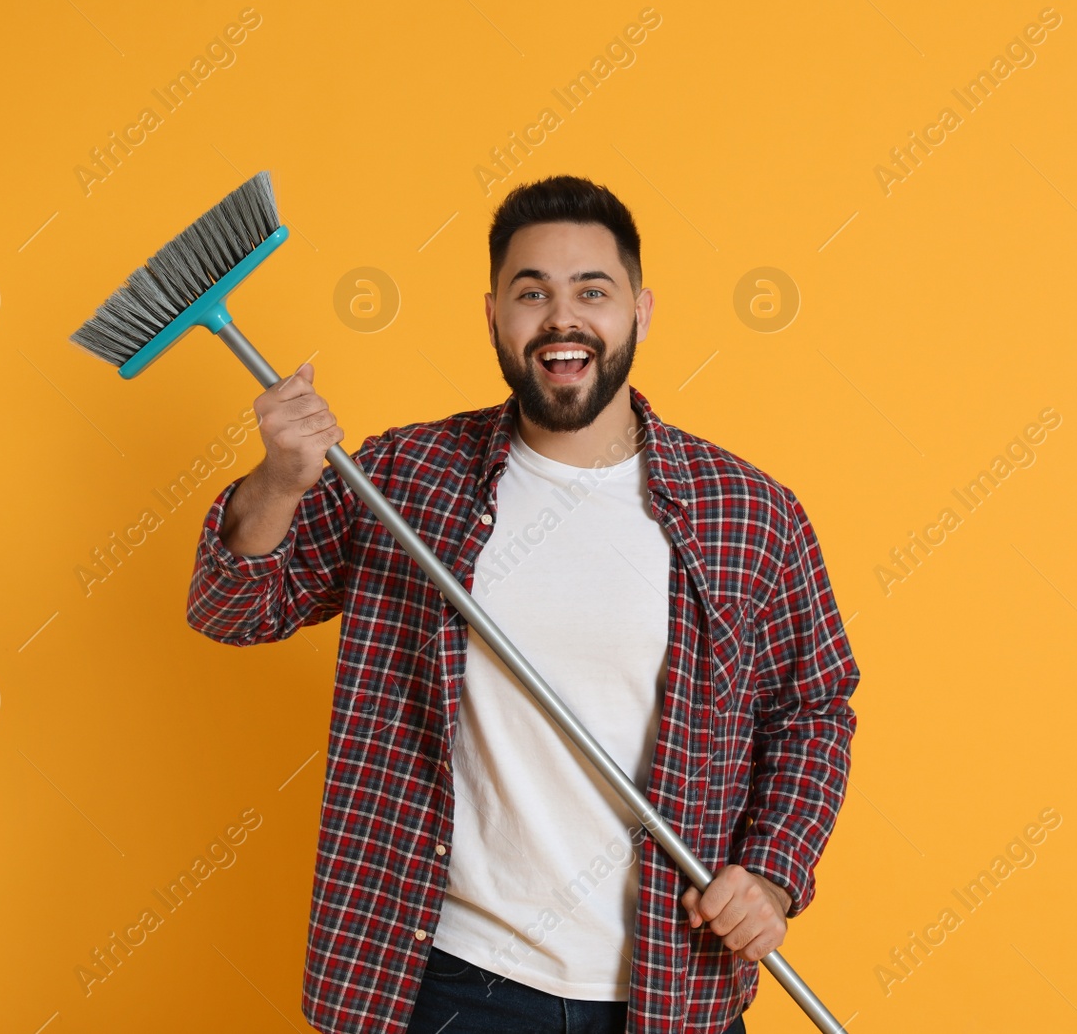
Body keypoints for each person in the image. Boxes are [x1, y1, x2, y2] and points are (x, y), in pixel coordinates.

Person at [187, 175, 860, 1034]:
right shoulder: (405, 479)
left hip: (669, 985)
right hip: (452, 984)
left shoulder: (748, 510)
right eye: (531, 291)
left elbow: (812, 708)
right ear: (493, 314)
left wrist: (771, 871)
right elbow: (232, 610)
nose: (561, 318)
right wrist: (280, 478)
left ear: (641, 311)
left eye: (592, 290)